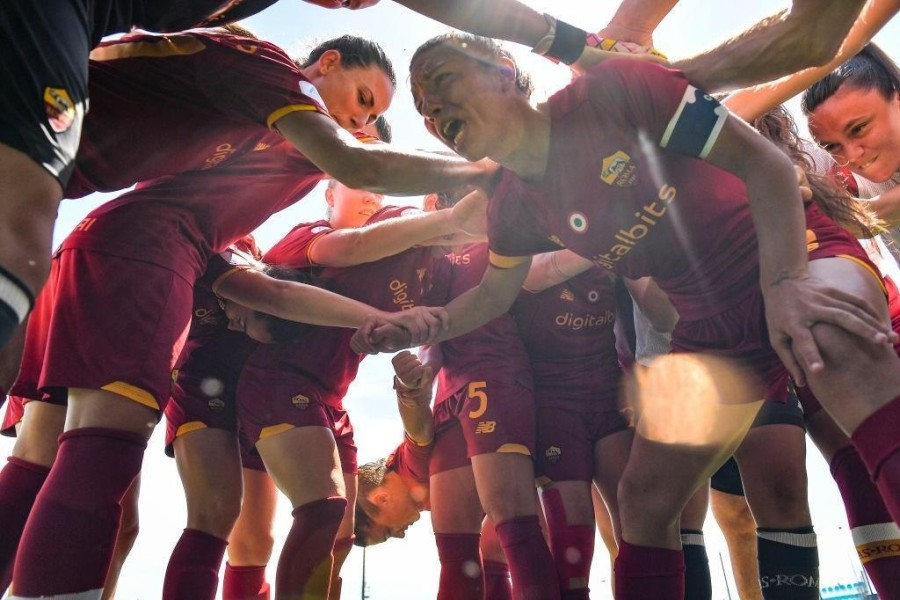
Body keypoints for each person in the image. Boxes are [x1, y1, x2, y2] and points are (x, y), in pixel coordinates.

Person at [353, 33, 900, 599]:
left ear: (501, 69)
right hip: (711, 330)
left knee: (831, 345)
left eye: (440, 81)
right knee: (643, 502)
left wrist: (784, 282)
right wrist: (423, 322)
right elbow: (494, 295)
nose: (432, 107)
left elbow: (769, 167)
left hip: (796, 255)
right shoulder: (514, 206)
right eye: (422, 105)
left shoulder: (613, 91)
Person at [164, 179, 486, 599]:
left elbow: (443, 327)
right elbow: (340, 257)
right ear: (330, 191)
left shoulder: (437, 269)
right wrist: (445, 224)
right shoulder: (321, 237)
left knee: (335, 537)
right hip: (273, 383)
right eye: (358, 179)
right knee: (289, 516)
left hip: (330, 395)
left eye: (378, 184)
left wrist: (413, 364)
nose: (373, 194)